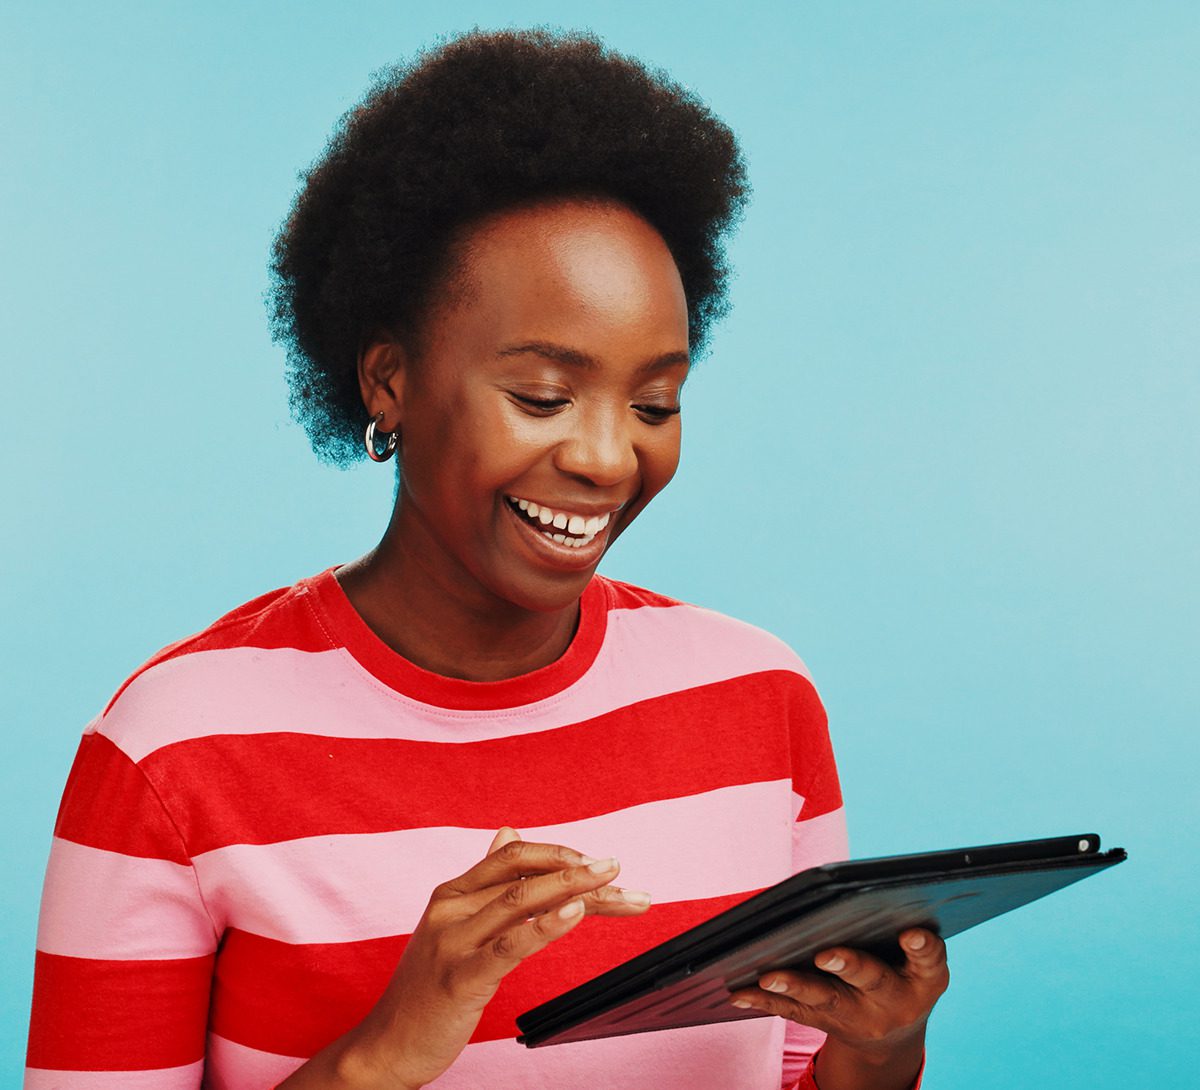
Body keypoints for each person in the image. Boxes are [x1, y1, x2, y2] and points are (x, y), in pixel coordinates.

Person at [25, 28, 948, 1090]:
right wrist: (382, 1055)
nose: (607, 456)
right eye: (543, 397)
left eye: (655, 402)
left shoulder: (760, 700)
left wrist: (881, 1051)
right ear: (389, 381)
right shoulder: (175, 751)